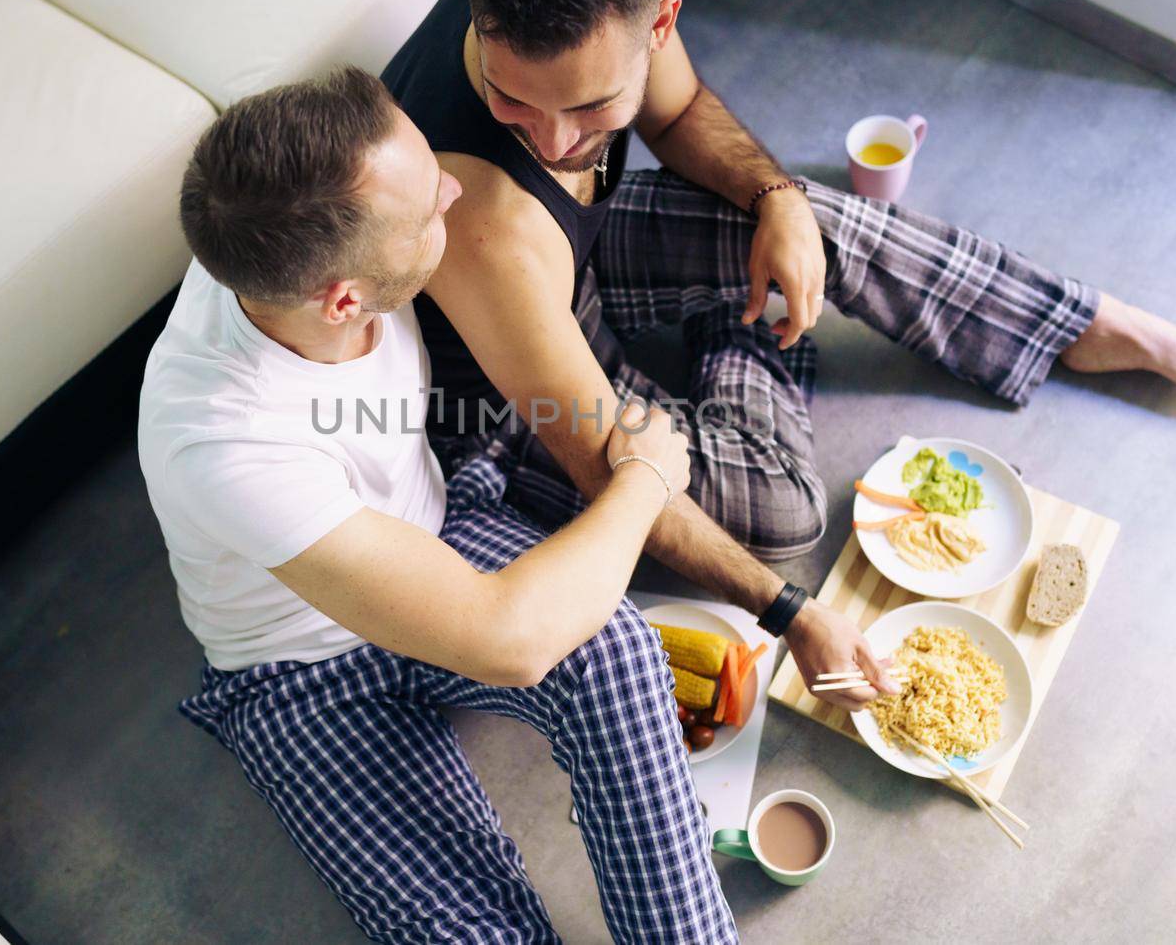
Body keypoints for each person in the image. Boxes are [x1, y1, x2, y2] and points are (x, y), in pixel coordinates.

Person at [379, 0, 1176, 689]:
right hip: (508, 399)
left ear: (659, 22)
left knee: (810, 218)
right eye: (513, 100)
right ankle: (737, 326)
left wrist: (777, 200)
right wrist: (790, 612)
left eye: (592, 107)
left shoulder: (609, 10)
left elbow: (684, 112)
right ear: (477, 13)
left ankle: (1083, 321)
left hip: (591, 246)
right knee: (785, 512)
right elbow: (611, 463)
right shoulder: (479, 212)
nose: (556, 140)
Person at [138, 67, 834, 942]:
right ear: (343, 299)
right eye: (430, 205)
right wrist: (645, 478)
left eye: (431, 168)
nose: (454, 191)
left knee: (616, 650)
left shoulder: (309, 237)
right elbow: (508, 639)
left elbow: (556, 388)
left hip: (433, 527)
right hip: (300, 669)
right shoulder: (222, 437)